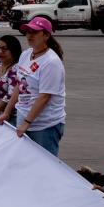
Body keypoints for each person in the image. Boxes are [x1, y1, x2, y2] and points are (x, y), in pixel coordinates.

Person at [13, 16, 66, 154]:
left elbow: (44, 96)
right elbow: (19, 86)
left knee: (44, 168)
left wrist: (27, 123)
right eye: (28, 31)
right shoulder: (25, 54)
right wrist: (7, 112)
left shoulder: (51, 62)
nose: (29, 35)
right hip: (23, 117)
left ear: (46, 35)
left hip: (44, 125)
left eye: (34, 32)